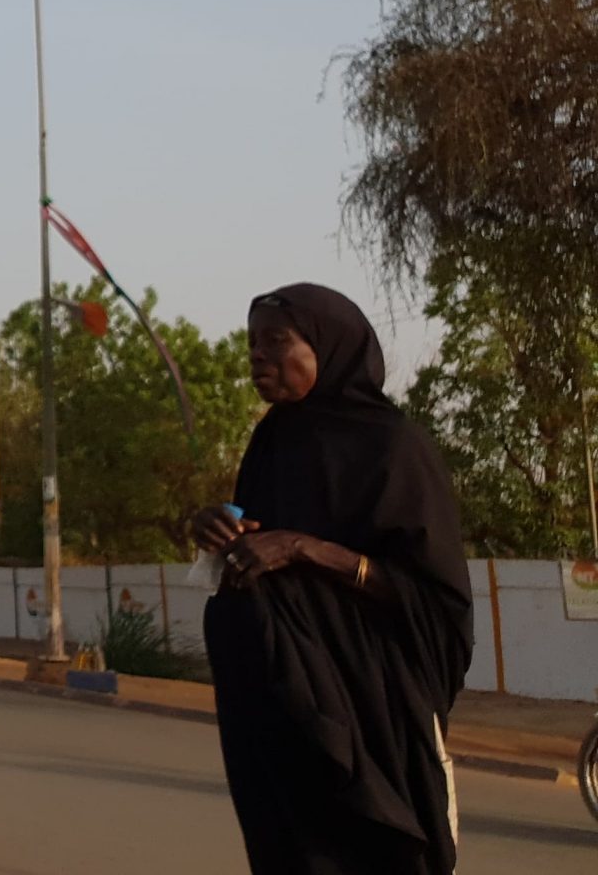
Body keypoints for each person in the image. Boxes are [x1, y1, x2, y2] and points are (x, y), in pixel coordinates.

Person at [190, 283, 472, 875]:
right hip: (277, 693)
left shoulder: (395, 447)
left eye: (276, 341)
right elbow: (258, 553)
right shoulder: (270, 441)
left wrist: (306, 549)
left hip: (367, 696)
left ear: (330, 346)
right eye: (252, 343)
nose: (257, 356)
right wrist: (218, 531)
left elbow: (433, 598)